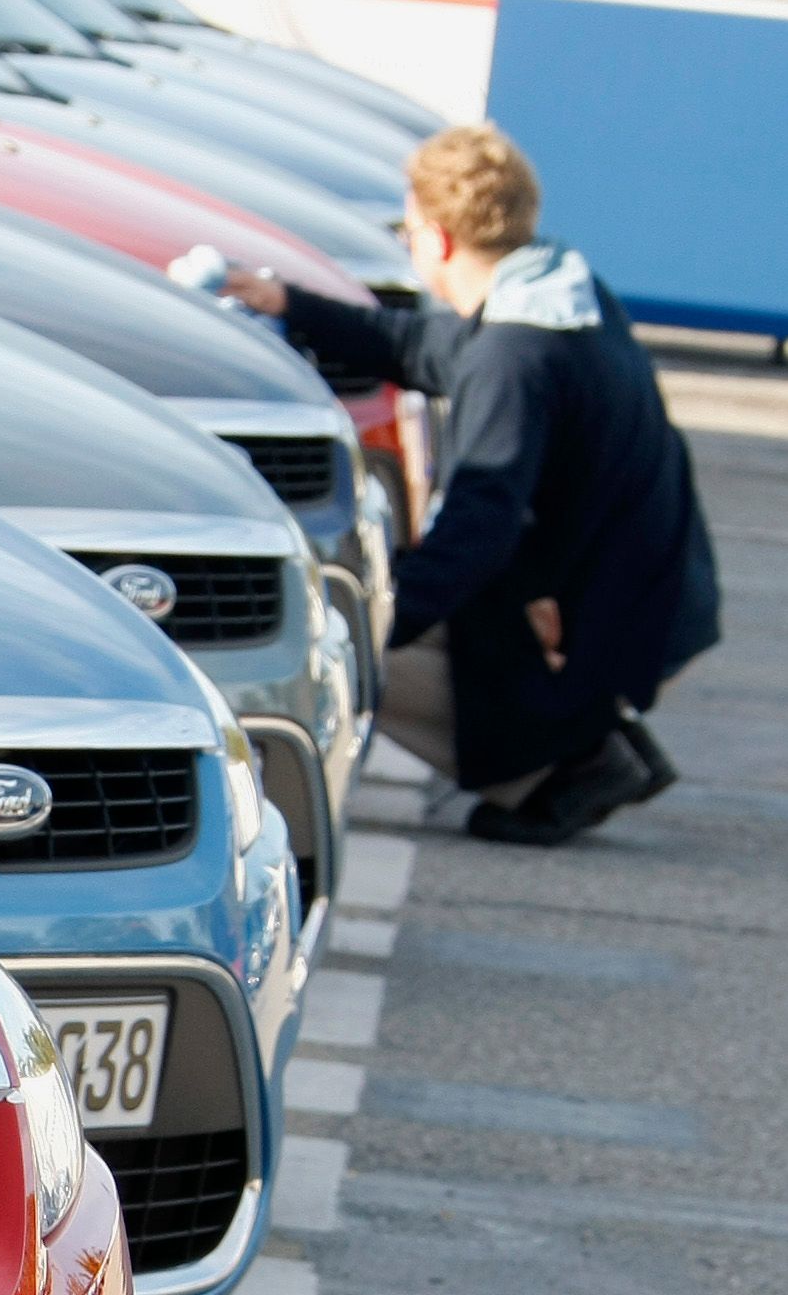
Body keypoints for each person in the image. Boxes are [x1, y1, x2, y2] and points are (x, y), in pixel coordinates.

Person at [225, 125, 717, 845]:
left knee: (342, 655)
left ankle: (565, 765)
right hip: (652, 597)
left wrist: (367, 627)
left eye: (410, 228)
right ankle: (583, 736)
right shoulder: (562, 297)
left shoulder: (513, 362)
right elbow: (425, 348)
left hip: (605, 628)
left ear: (441, 239)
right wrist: (289, 304)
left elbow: (475, 533)